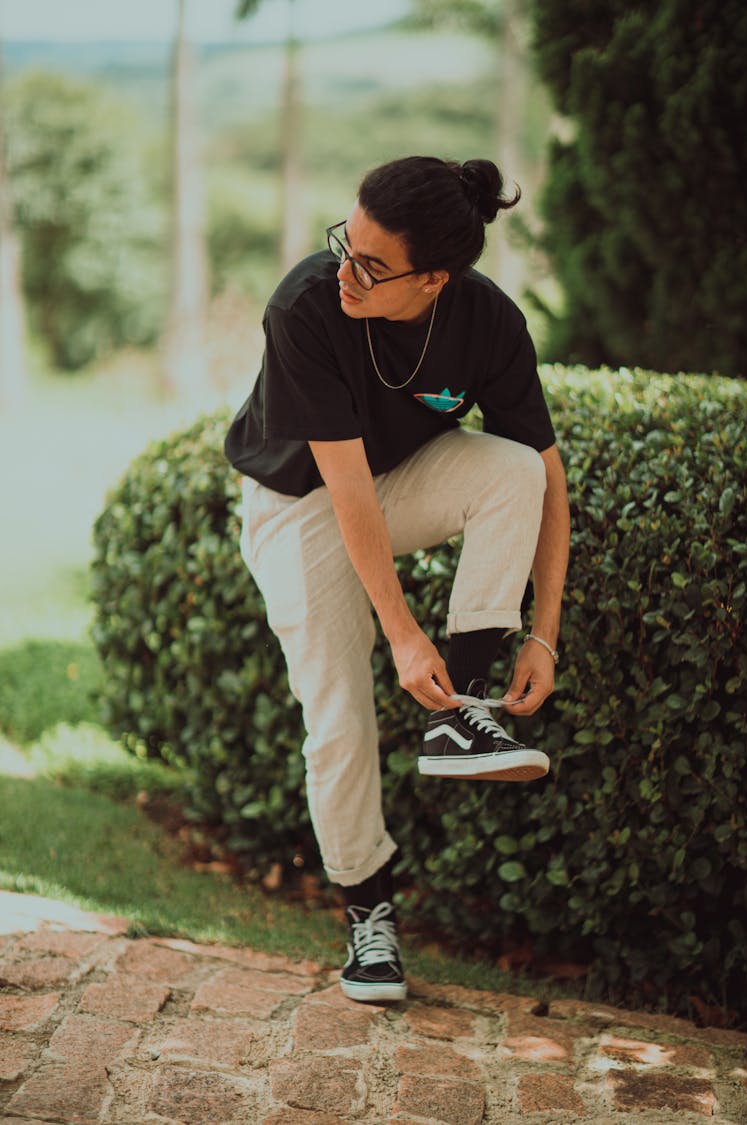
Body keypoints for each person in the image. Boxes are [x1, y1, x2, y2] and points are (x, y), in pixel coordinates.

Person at [225, 155, 570, 1003]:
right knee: (339, 709)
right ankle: (368, 917)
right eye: (348, 241)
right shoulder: (307, 307)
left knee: (513, 470)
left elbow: (548, 478)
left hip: (397, 482)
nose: (348, 269)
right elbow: (345, 494)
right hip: (299, 498)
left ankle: (468, 713)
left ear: (435, 280)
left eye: (374, 265)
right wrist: (405, 634)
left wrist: (544, 634)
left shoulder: (488, 323)